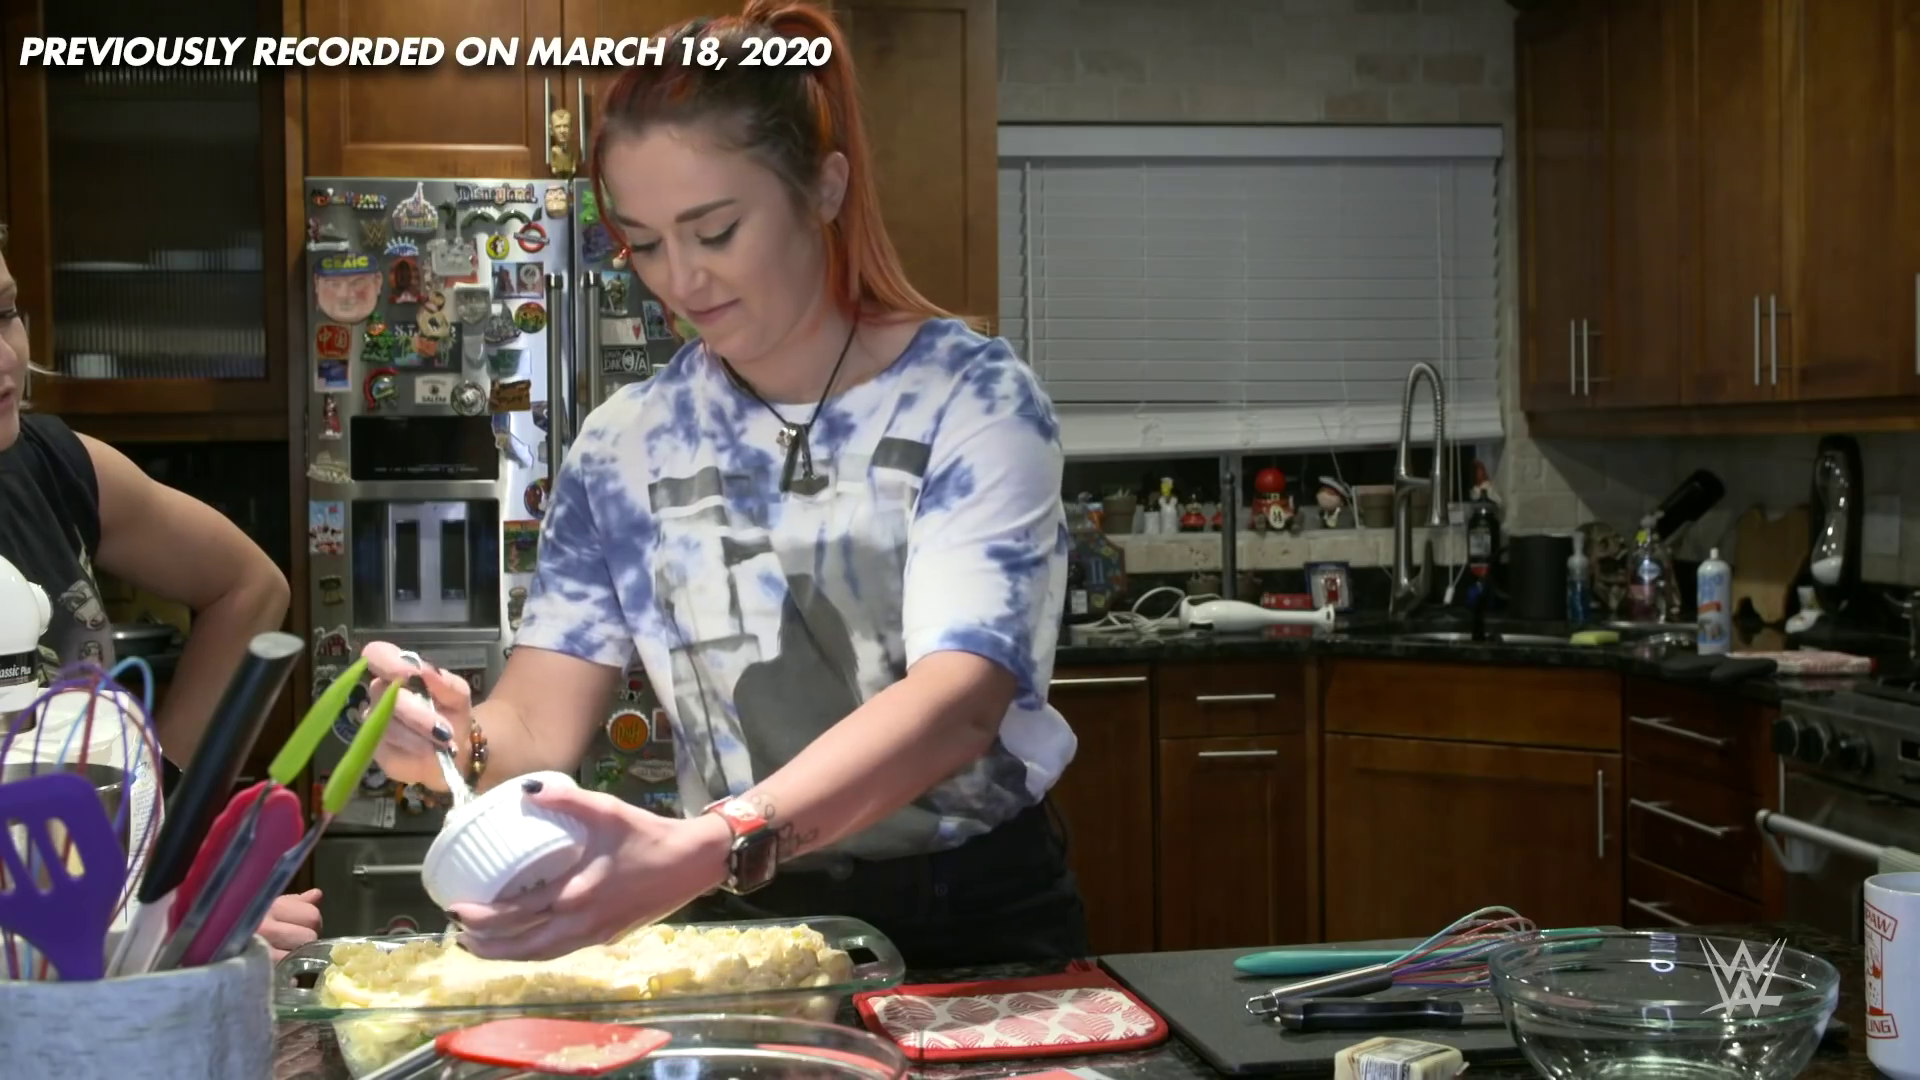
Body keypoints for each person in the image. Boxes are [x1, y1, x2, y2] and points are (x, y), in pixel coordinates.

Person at [359, 0, 1086, 968]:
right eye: (646, 243)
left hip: (975, 919)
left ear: (824, 188)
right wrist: (456, 740)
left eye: (715, 231)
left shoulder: (971, 398)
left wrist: (716, 842)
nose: (681, 281)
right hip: (744, 923)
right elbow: (535, 721)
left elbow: (958, 701)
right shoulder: (622, 447)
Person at [0, 228, 324, 960]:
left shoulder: (58, 468)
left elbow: (249, 588)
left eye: (5, 313)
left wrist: (153, 822)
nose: (6, 358)